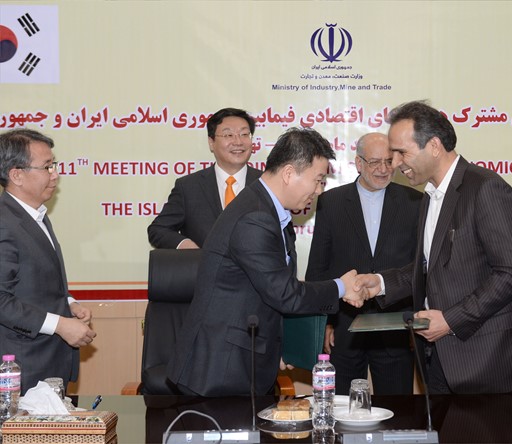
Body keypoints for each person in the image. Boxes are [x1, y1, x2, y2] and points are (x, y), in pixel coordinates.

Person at [167, 127, 368, 397]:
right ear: (289, 173)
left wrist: (280, 346)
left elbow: (267, 293)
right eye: (318, 180)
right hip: (220, 369)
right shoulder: (255, 218)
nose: (320, 190)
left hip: (241, 361)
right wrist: (341, 287)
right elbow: (285, 294)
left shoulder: (269, 212)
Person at [354, 101, 512, 394]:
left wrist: (451, 320)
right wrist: (381, 283)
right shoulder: (430, 195)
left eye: (402, 153)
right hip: (439, 358)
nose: (395, 163)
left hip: (486, 359)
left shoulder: (486, 188)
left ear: (435, 146)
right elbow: (432, 266)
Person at [306, 132, 421, 395]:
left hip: (396, 327)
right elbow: (318, 268)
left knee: (398, 409)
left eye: (389, 161)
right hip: (344, 328)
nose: (383, 169)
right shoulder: (331, 202)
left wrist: (417, 322)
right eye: (375, 162)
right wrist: (325, 323)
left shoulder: (414, 202)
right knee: (342, 408)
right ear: (358, 163)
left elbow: (419, 267)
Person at [0, 129, 97, 394]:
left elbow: (33, 281)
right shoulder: (4, 222)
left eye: (54, 165)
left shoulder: (35, 215)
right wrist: (60, 324)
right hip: (23, 366)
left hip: (48, 362)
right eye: (47, 167)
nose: (55, 174)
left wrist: (69, 303)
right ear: (17, 175)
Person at [148, 107, 263, 249]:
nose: (238, 142)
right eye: (228, 135)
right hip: (203, 263)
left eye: (244, 134)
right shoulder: (189, 187)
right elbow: (158, 230)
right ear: (211, 142)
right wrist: (187, 246)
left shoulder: (268, 183)